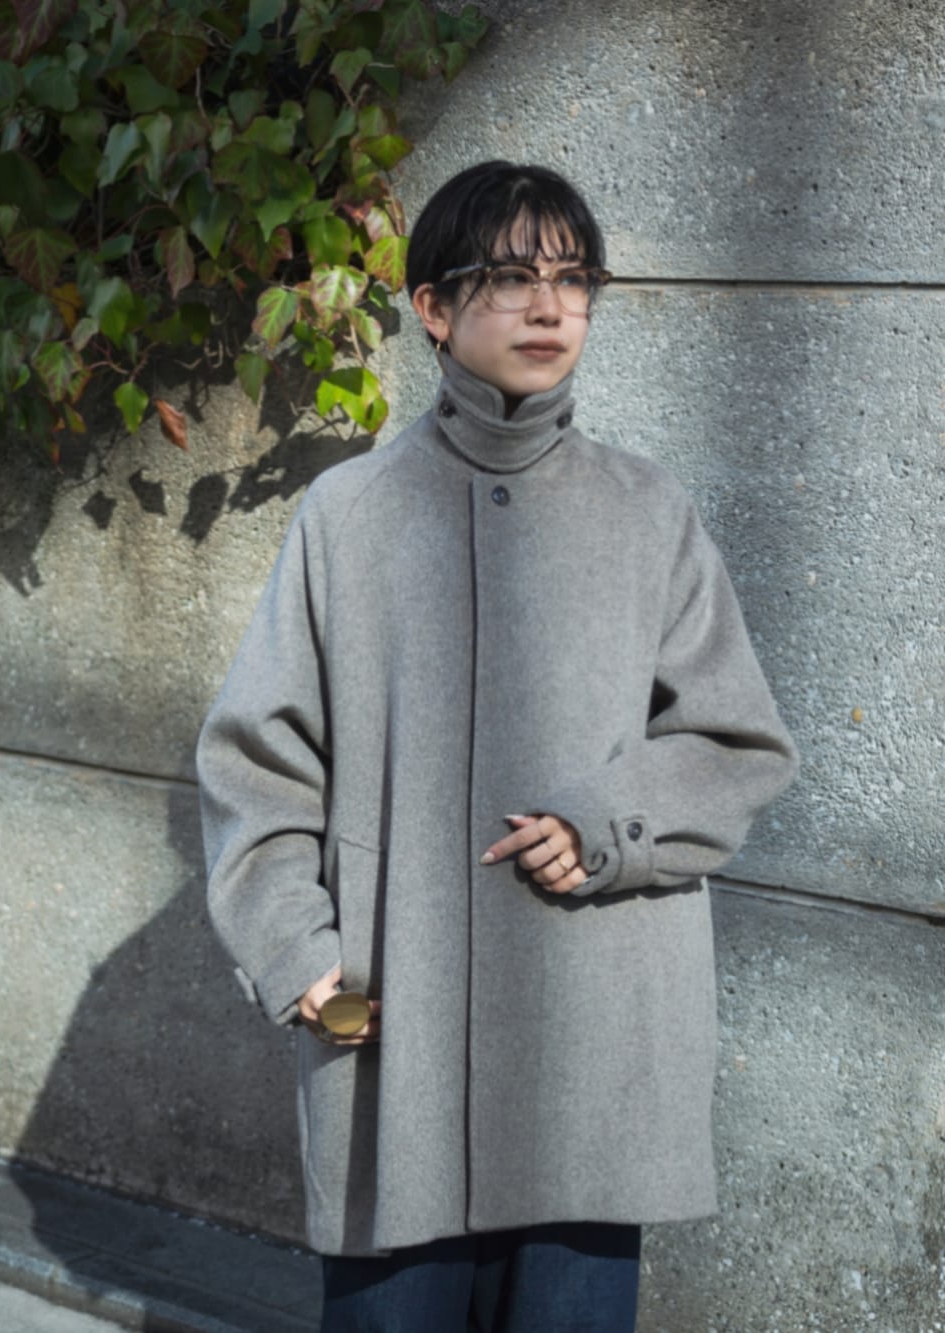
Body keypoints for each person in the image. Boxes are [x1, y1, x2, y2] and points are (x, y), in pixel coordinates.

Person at [196, 160, 799, 1332]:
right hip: (396, 1040)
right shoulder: (349, 517)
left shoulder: (647, 511)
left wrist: (612, 825)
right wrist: (298, 955)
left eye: (573, 279)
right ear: (431, 307)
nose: (549, 307)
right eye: (511, 277)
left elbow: (737, 738)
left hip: (593, 1051)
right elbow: (255, 760)